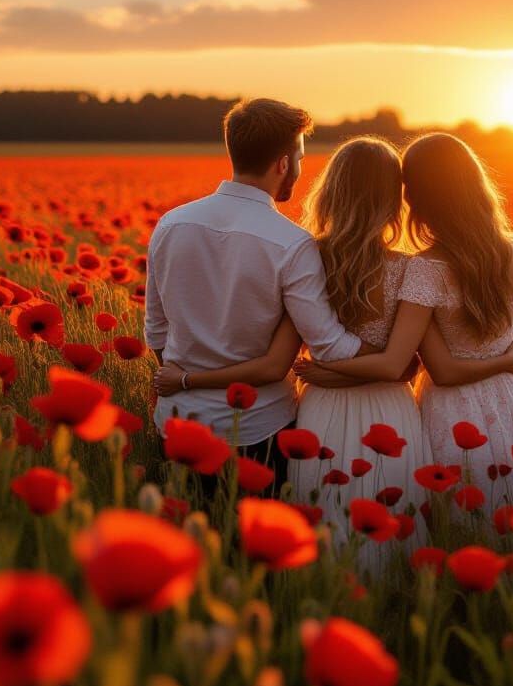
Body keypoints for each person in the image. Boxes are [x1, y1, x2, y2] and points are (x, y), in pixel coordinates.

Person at [155, 136, 513, 549]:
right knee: (392, 524)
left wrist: (326, 372)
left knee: (328, 519)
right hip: (392, 411)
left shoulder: (308, 258)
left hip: (323, 409)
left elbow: (286, 359)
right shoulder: (407, 268)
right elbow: (405, 365)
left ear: (331, 193)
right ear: (394, 201)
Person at [294, 132, 513, 504]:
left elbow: (434, 369)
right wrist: (506, 360)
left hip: (452, 411)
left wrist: (329, 372)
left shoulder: (425, 268)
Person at [145, 97, 364, 488]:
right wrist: (397, 355)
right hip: (256, 431)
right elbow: (328, 345)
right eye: (298, 158)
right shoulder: (292, 244)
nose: (298, 168)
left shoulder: (171, 225)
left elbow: (156, 332)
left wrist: (186, 380)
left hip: (177, 424)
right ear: (283, 163)